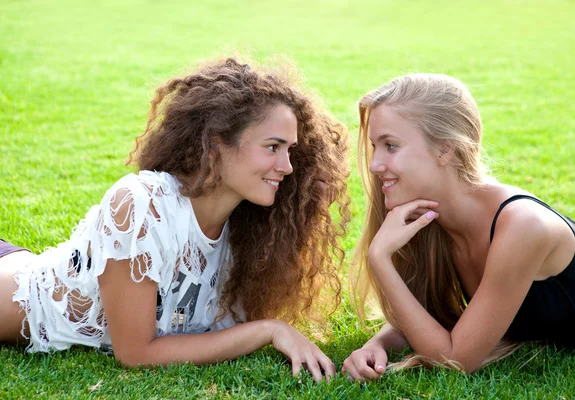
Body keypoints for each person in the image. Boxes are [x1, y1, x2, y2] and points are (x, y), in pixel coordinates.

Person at [0, 57, 351, 382]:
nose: (287, 167)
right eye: (273, 147)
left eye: (289, 150)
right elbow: (136, 352)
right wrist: (269, 330)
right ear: (216, 144)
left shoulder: (249, 232)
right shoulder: (143, 203)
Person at [342, 73, 575, 379]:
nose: (374, 164)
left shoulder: (522, 226)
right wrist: (379, 343)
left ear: (444, 149)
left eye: (391, 146)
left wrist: (380, 258)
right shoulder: (429, 217)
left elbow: (454, 360)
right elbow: (427, 315)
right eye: (375, 146)